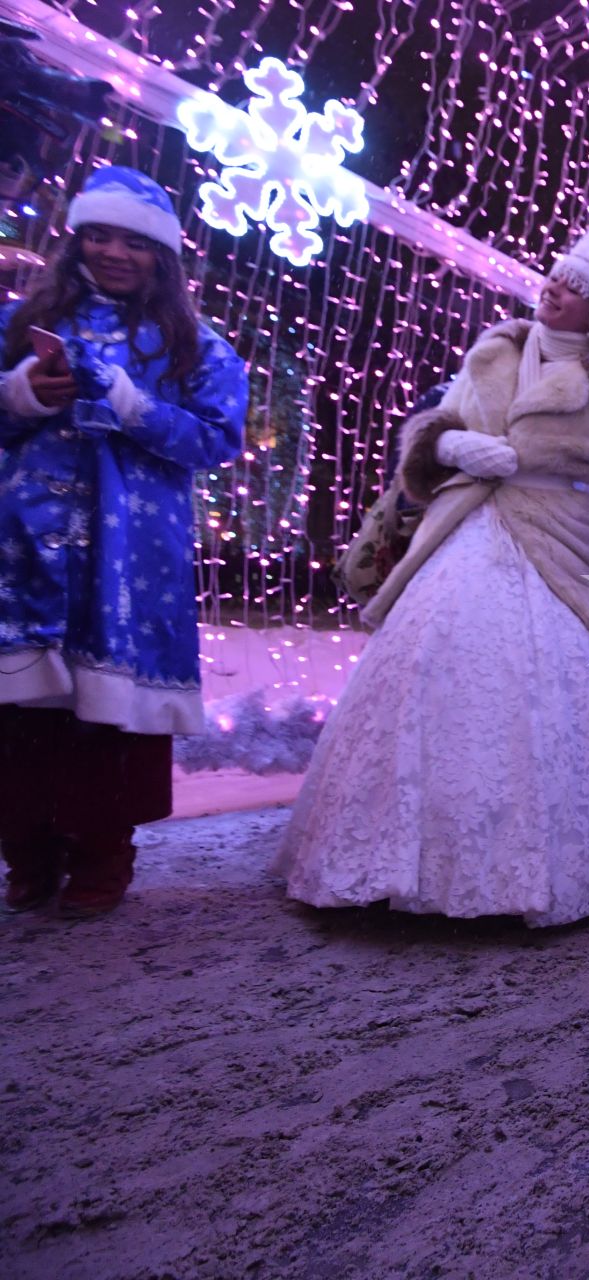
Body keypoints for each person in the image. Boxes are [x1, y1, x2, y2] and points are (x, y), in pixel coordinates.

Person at [273, 224, 589, 927]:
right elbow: (437, 427)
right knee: (429, 662)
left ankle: (562, 861)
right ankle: (393, 854)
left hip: (556, 546)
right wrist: (453, 443)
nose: (557, 292)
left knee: (551, 684)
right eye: (556, 277)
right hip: (464, 529)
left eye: (577, 289)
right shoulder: (495, 350)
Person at [0, 165, 247, 917]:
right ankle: (28, 853)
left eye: (133, 243)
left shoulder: (195, 346)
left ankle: (104, 856)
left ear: (163, 257)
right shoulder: (18, 322)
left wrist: (133, 404)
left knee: (107, 718)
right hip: (26, 545)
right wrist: (19, 395)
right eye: (98, 235)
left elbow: (215, 440)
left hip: (131, 559)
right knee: (20, 716)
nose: (113, 252)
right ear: (76, 241)